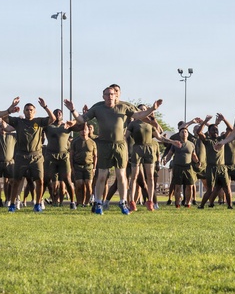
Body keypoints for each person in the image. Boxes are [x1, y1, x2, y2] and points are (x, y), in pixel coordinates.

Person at [64, 86, 162, 215]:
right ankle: (98, 203)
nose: (110, 96)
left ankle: (123, 203)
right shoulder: (98, 108)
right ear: (103, 96)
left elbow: (139, 115)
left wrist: (152, 108)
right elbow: (82, 119)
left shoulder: (123, 107)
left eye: (112, 94)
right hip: (104, 145)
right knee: (102, 175)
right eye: (107, 94)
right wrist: (73, 110)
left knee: (121, 175)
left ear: (116, 95)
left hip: (120, 145)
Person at [0, 98, 55, 213]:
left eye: (31, 110)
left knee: (40, 181)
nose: (29, 111)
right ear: (23, 112)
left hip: (37, 156)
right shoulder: (18, 122)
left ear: (34, 111)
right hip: (21, 156)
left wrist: (45, 107)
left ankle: (38, 204)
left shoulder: (39, 121)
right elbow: (3, 117)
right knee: (16, 181)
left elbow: (53, 119)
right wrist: (11, 107)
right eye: (27, 110)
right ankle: (13, 204)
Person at [70, 121, 97, 208]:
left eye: (85, 129)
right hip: (78, 166)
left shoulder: (92, 142)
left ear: (88, 131)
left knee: (88, 185)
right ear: (79, 131)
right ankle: (79, 202)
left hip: (89, 166)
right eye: (81, 130)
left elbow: (95, 156)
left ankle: (86, 202)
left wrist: (94, 168)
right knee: (79, 185)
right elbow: (71, 155)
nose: (83, 131)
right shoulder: (75, 141)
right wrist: (72, 167)